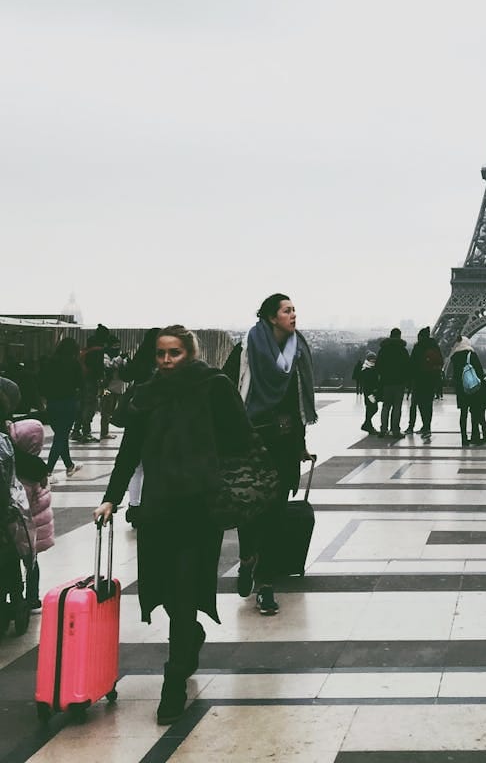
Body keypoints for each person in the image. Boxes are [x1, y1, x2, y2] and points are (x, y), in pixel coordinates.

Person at [94, 325, 252, 725]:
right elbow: (129, 451)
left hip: (199, 509)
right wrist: (111, 497)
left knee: (183, 592)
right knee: (165, 588)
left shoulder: (213, 387)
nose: (166, 361)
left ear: (191, 353)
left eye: (175, 353)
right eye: (161, 354)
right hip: (159, 508)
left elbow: (240, 440)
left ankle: (174, 679)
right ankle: (190, 639)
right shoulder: (148, 394)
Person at [235, 294, 317, 616]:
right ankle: (246, 559)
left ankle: (265, 583)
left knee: (274, 513)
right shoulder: (247, 347)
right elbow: (233, 392)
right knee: (249, 510)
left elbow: (297, 404)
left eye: (294, 309)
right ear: (272, 317)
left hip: (283, 443)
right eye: (287, 310)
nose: (294, 314)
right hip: (252, 441)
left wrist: (300, 443)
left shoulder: (298, 351)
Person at [7, 415, 53, 609]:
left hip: (23, 528)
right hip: (36, 527)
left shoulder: (22, 474)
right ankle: (33, 596)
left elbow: (20, 503)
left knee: (18, 561)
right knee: (32, 563)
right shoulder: (37, 469)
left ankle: (24, 597)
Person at [118, 328, 162, 526]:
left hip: (136, 416)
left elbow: (126, 375)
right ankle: (150, 505)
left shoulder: (141, 359)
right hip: (156, 417)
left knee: (135, 466)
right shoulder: (161, 363)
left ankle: (134, 506)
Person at [39, 337, 83, 478]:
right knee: (61, 436)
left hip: (52, 404)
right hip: (68, 403)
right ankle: (47, 471)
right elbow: (80, 384)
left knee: (61, 436)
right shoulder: (74, 364)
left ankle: (69, 466)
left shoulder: (49, 363)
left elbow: (41, 383)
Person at [450, 335, 486, 446]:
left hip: (461, 390)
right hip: (473, 390)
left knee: (463, 414)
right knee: (474, 413)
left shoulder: (454, 357)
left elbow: (455, 377)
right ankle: (475, 436)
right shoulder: (472, 355)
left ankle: (464, 438)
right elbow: (480, 373)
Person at [408, 327, 444, 441]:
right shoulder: (435, 347)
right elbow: (441, 362)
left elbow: (412, 364)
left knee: (418, 404)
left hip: (419, 380)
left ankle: (419, 426)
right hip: (431, 380)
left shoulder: (418, 347)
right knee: (428, 404)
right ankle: (427, 427)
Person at [375, 328, 411, 439]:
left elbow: (378, 366)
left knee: (386, 406)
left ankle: (383, 429)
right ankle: (395, 430)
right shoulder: (402, 350)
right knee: (397, 407)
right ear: (399, 336)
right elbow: (407, 367)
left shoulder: (383, 350)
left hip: (386, 382)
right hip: (399, 382)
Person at [99, 339, 127, 440]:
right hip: (108, 389)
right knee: (106, 411)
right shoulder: (105, 356)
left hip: (117, 388)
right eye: (114, 346)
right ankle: (104, 432)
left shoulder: (118, 357)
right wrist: (120, 358)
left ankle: (105, 431)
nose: (116, 348)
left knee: (110, 411)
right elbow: (110, 366)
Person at [359, 352, 380, 434]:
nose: (373, 360)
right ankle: (367, 425)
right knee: (373, 408)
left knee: (370, 408)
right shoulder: (369, 369)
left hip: (370, 392)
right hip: (369, 393)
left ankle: (368, 425)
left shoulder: (366, 368)